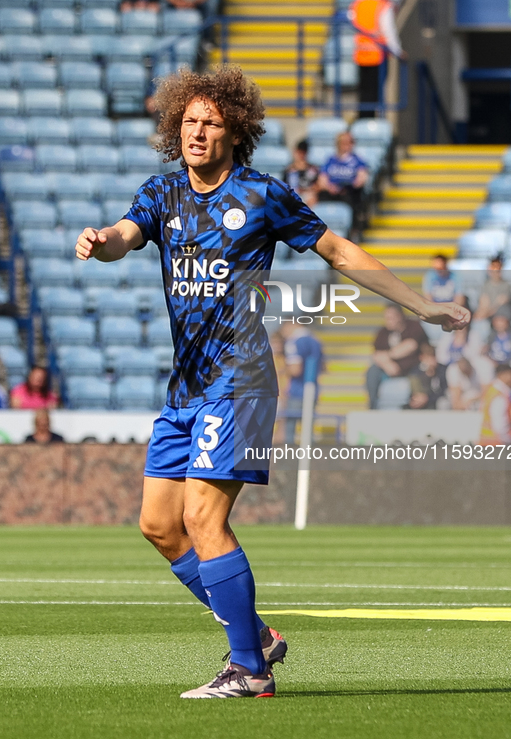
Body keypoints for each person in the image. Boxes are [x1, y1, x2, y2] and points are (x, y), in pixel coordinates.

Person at [74, 67, 469, 699]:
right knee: (159, 526)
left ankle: (249, 672)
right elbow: (127, 234)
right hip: (186, 389)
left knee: (204, 516)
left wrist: (422, 306)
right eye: (189, 122)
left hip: (243, 379)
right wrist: (102, 239)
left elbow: (338, 251)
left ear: (236, 132)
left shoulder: (261, 196)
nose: (198, 132)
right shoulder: (163, 193)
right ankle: (255, 636)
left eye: (212, 123)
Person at [348, 0, 406, 117]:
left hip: (361, 54)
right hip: (378, 56)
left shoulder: (358, 4)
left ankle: (363, 120)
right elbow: (389, 32)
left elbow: (350, 21)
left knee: (364, 91)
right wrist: (398, 52)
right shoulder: (383, 6)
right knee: (375, 92)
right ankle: (369, 122)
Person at [366, 303, 429, 409]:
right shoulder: (382, 333)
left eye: (391, 318)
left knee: (420, 374)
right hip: (390, 371)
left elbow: (411, 345)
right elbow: (376, 355)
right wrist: (387, 364)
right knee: (372, 371)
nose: (388, 320)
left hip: (413, 368)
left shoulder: (413, 326)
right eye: (386, 318)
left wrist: (388, 355)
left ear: (399, 316)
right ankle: (372, 406)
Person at [281, 322, 324, 444]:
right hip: (313, 388)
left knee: (290, 429)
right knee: (308, 429)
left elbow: (295, 369)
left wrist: (282, 370)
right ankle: (310, 460)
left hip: (297, 390)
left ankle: (287, 460)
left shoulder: (294, 342)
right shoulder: (315, 340)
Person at [317, 131, 368, 212]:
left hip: (349, 193)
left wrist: (345, 186)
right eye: (344, 142)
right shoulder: (330, 160)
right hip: (331, 193)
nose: (348, 145)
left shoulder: (358, 161)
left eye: (350, 142)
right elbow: (322, 180)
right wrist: (330, 187)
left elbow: (361, 179)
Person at [479, 363, 511, 445]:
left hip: (488, 441)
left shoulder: (493, 390)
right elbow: (499, 425)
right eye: (510, 375)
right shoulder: (499, 395)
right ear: (502, 375)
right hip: (496, 443)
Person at [407, 343, 448, 410]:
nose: (431, 361)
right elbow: (414, 391)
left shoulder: (443, 370)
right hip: (420, 403)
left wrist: (428, 398)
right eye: (428, 357)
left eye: (433, 357)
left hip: (435, 401)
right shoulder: (415, 372)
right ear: (422, 357)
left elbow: (444, 391)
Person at [474, 256, 511, 321]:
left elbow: (500, 304)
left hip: (499, 315)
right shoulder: (485, 285)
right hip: (486, 313)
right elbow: (483, 303)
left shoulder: (506, 285)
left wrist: (485, 314)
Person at [283, 140, 319, 207]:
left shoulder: (313, 170)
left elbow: (318, 186)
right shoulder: (289, 170)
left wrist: (308, 189)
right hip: (293, 195)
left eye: (303, 153)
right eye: (300, 153)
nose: (301, 155)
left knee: (311, 198)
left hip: (307, 195)